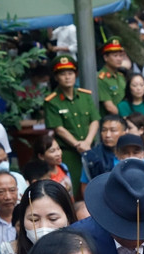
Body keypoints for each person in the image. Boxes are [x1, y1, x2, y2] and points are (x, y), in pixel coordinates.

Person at [44, 55, 100, 198]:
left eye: (70, 73)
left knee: (94, 188)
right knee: (71, 190)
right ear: (56, 77)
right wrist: (77, 144)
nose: (67, 77)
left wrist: (87, 142)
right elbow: (58, 128)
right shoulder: (52, 101)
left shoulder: (85, 96)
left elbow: (94, 120)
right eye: (62, 74)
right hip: (69, 153)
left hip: (90, 149)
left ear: (75, 75)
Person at [81, 115, 126, 189]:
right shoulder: (92, 156)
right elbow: (85, 184)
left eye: (113, 130)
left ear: (124, 132)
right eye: (104, 130)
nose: (107, 135)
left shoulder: (133, 153)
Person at [97, 37, 127, 116]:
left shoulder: (121, 76)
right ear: (106, 58)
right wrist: (126, 119)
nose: (119, 59)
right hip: (112, 121)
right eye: (115, 55)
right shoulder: (101, 78)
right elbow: (109, 107)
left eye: (121, 56)